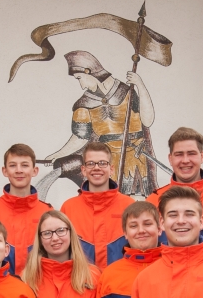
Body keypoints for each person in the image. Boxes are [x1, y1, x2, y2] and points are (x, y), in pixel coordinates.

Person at [37, 50, 159, 196]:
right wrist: (59, 154)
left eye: (80, 78)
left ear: (89, 71)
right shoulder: (84, 104)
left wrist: (140, 85)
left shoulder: (128, 92)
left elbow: (148, 120)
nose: (82, 85)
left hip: (136, 160)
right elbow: (80, 137)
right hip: (106, 162)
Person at [60, 140, 133, 267]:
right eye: (91, 163)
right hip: (82, 284)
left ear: (111, 169)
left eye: (102, 163)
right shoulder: (68, 208)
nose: (97, 167)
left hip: (117, 284)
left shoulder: (129, 206)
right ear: (83, 170)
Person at [0, 143, 51, 274]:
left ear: (34, 170)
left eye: (24, 165)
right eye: (13, 165)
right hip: (1, 286)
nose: (19, 170)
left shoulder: (47, 212)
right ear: (5, 171)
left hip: (38, 285)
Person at [147, 127, 203, 223]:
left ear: (202, 156)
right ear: (170, 159)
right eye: (179, 154)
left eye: (191, 153)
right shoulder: (153, 201)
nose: (185, 161)